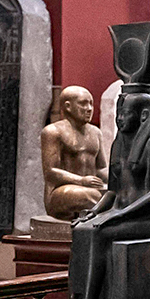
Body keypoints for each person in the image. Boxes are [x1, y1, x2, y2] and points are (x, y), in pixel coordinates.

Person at [49, 89, 150, 299]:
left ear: (143, 116)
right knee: (81, 229)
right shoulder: (118, 144)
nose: (120, 119)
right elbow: (113, 191)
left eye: (126, 114)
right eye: (118, 114)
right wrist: (94, 212)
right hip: (119, 213)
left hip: (143, 218)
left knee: (99, 234)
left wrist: (117, 216)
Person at [39, 86, 107, 222]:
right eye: (83, 104)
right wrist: (81, 180)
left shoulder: (96, 132)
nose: (89, 108)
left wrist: (119, 181)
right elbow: (50, 172)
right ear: (68, 107)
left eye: (91, 104)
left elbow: (101, 169)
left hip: (91, 188)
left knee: (118, 194)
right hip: (62, 192)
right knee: (89, 195)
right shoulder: (53, 132)